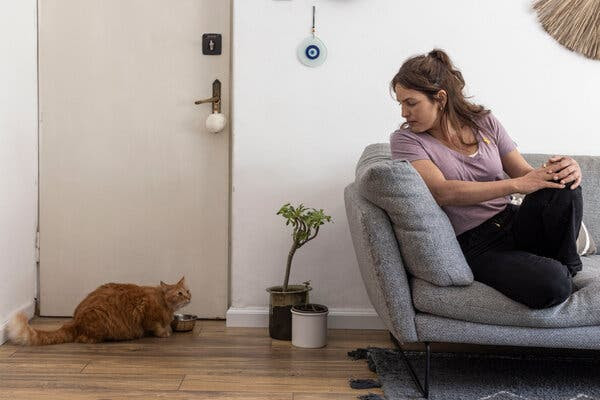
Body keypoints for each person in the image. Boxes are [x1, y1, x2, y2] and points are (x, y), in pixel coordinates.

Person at [389, 49, 583, 309]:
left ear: (440, 98)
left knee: (565, 183)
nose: (404, 112)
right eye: (401, 103)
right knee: (554, 286)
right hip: (477, 245)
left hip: (513, 222)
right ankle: (558, 273)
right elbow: (442, 192)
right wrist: (515, 186)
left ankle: (564, 267)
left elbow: (524, 173)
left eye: (411, 103)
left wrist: (564, 169)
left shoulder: (484, 121)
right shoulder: (407, 141)